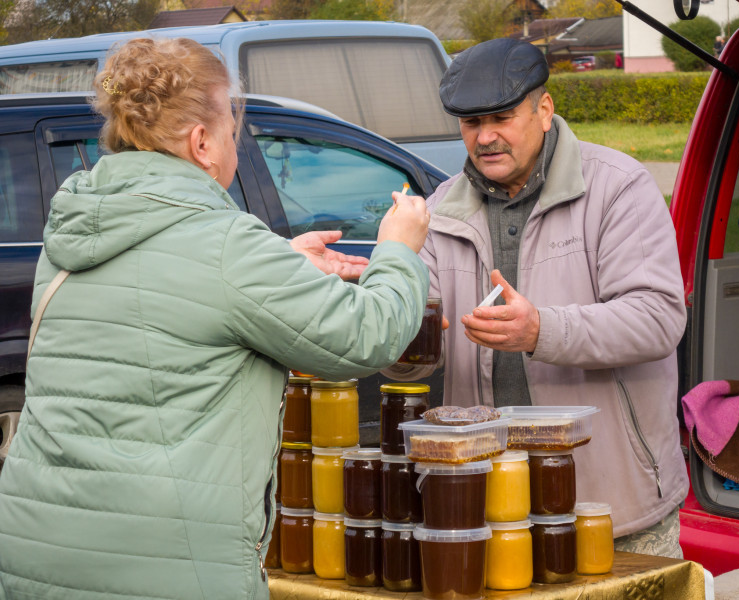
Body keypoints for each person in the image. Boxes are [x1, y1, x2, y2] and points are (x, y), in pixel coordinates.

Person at [0, 37, 430, 599]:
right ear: (202, 143)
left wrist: (281, 264)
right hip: (160, 570)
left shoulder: (72, 228)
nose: (234, 144)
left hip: (34, 551)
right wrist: (397, 249)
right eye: (231, 131)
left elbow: (167, 296)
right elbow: (367, 336)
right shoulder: (227, 247)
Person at [384, 38, 688, 557]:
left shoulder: (618, 187)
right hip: (485, 511)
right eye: (471, 123)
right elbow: (412, 361)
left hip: (611, 507)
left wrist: (541, 330)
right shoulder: (438, 211)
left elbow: (657, 319)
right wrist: (392, 315)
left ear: (544, 110)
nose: (485, 137)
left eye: (501, 118)